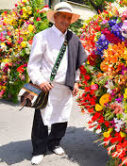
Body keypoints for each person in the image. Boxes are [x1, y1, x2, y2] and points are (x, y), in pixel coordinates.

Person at [27, 2, 87, 165]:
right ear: (55, 17)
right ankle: (38, 149)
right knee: (41, 119)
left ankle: (54, 142)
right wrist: (40, 81)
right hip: (46, 86)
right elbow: (33, 64)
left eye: (68, 18)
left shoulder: (73, 38)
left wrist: (76, 81)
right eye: (63, 17)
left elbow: (76, 64)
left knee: (61, 117)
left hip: (65, 86)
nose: (66, 21)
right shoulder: (42, 36)